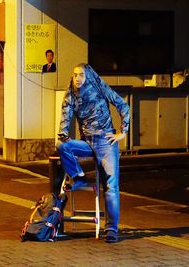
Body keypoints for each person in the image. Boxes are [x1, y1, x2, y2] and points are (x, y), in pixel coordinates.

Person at [56, 63, 130, 243]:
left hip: (106, 141)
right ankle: (78, 177)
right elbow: (65, 116)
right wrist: (64, 132)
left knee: (111, 186)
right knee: (62, 146)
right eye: (74, 75)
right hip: (87, 142)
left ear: (87, 75)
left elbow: (123, 105)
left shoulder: (99, 86)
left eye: (81, 75)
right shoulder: (71, 93)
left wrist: (122, 133)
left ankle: (111, 229)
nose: (77, 78)